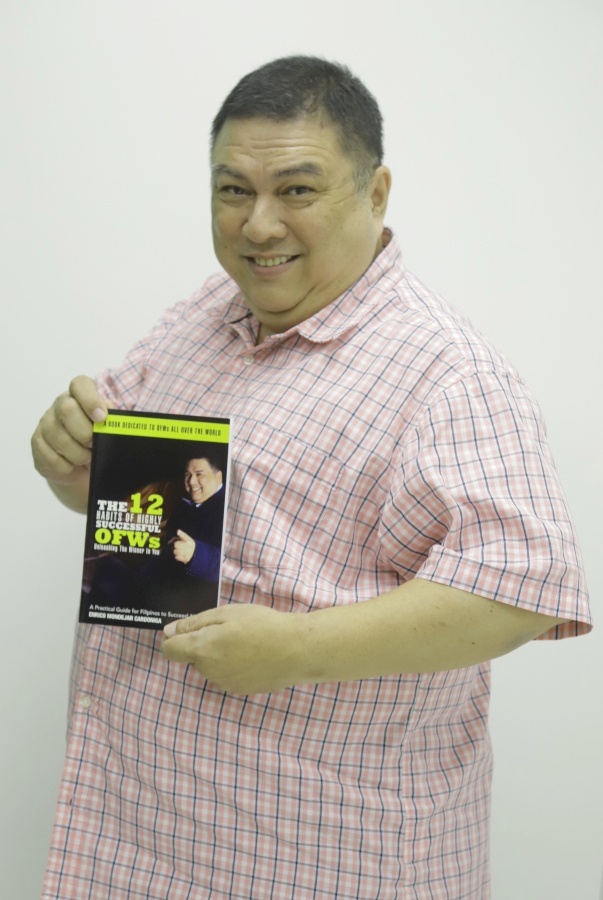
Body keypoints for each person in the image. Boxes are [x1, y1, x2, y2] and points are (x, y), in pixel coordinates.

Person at [32, 56, 591, 898]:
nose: (258, 225)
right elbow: (128, 499)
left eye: (296, 189)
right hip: (135, 836)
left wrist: (297, 650)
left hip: (313, 857)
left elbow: (520, 590)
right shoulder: (203, 317)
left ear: (375, 193)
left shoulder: (447, 374)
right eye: (232, 190)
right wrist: (71, 463)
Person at [166, 455, 226, 581]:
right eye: (187, 475)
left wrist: (195, 554)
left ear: (218, 477)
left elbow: (234, 567)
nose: (191, 481)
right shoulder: (184, 503)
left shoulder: (232, 508)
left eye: (199, 474)